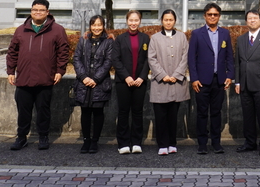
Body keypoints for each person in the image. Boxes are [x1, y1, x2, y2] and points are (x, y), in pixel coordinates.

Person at [6, 0, 69, 151]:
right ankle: (21, 138)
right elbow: (12, 52)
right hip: (24, 79)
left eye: (41, 10)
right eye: (35, 10)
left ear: (47, 12)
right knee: (23, 111)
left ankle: (43, 137)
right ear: (31, 11)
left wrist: (60, 71)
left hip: (45, 78)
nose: (38, 12)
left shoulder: (57, 30)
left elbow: (63, 52)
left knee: (43, 111)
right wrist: (10, 71)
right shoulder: (21, 30)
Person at [188, 2, 235, 154]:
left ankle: (216, 143)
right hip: (201, 81)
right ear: (205, 16)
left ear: (219, 16)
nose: (213, 17)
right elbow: (191, 59)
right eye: (210, 14)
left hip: (219, 80)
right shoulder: (196, 34)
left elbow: (229, 56)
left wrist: (230, 76)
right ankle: (202, 144)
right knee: (201, 113)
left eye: (215, 14)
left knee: (216, 112)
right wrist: (194, 78)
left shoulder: (225, 34)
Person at [234, 10, 260, 156]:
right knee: (248, 117)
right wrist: (237, 82)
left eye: (255, 18)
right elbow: (238, 63)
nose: (252, 20)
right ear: (246, 21)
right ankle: (249, 143)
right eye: (249, 18)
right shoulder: (240, 39)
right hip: (245, 85)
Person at [148, 9, 189, 156]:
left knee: (173, 115)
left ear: (175, 21)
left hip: (176, 83)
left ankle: (172, 143)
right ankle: (162, 144)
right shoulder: (155, 38)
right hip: (160, 83)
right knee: (160, 116)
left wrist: (177, 74)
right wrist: (163, 75)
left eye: (171, 20)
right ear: (162, 21)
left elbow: (185, 57)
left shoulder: (182, 37)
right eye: (166, 20)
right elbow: (151, 59)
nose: (168, 22)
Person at [72, 15, 114, 154]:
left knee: (98, 112)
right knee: (85, 112)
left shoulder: (108, 42)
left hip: (100, 83)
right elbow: (76, 59)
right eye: (94, 25)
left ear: (103, 26)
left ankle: (95, 141)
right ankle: (86, 140)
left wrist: (95, 78)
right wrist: (83, 77)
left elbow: (108, 62)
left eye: (99, 25)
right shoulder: (83, 41)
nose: (97, 28)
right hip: (83, 83)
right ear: (90, 26)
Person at [113, 9, 150, 155]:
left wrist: (142, 77)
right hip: (123, 82)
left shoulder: (146, 38)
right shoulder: (120, 39)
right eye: (131, 20)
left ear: (139, 21)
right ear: (127, 21)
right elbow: (115, 59)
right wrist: (126, 77)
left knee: (137, 112)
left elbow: (148, 59)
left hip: (140, 81)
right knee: (123, 112)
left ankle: (136, 142)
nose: (133, 23)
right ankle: (122, 143)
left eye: (136, 20)